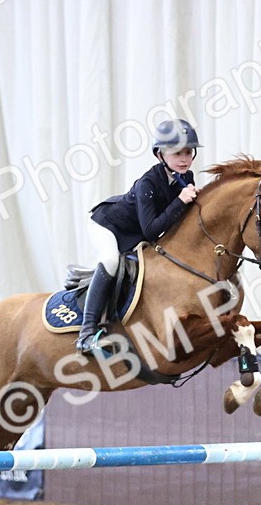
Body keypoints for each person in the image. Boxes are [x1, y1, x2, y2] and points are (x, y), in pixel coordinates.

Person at [76, 119, 203, 353]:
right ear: (160, 155)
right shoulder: (148, 182)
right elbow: (151, 230)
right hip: (107, 225)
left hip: (137, 232)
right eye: (177, 153)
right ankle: (86, 334)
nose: (184, 158)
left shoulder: (187, 178)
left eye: (188, 152)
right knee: (111, 261)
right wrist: (179, 201)